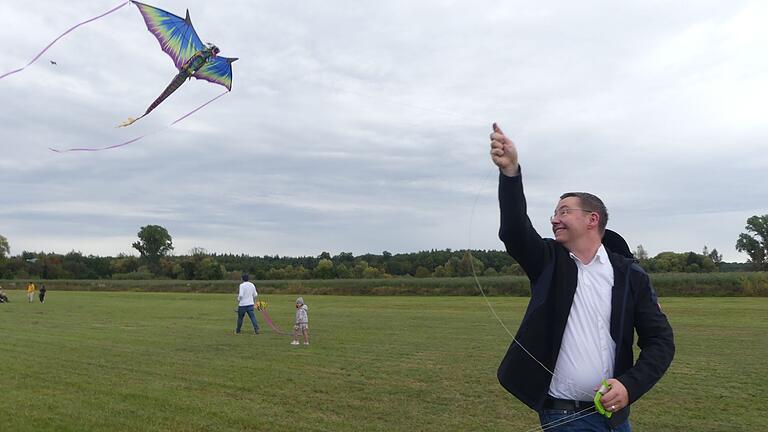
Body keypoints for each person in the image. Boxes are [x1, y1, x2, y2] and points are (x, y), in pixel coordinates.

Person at [489, 123, 674, 431]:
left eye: (563, 211)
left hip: (615, 419)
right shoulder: (548, 262)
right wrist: (510, 172)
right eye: (553, 213)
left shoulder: (629, 275)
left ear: (592, 219)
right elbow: (514, 231)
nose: (554, 219)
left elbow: (660, 341)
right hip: (563, 418)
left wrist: (630, 385)